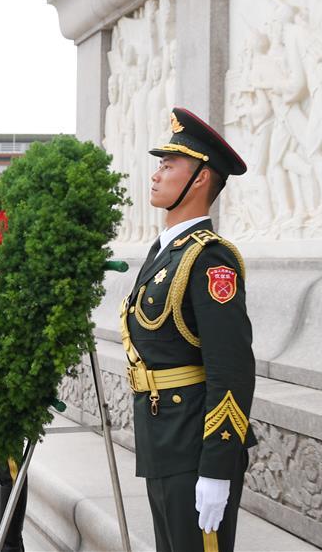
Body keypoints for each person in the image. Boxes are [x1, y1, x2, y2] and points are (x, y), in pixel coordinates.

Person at [121, 108, 256, 552]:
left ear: (200, 178)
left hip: (194, 443)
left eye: (168, 165)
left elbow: (232, 369)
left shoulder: (210, 258)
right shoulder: (167, 251)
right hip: (162, 437)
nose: (156, 175)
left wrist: (217, 467)